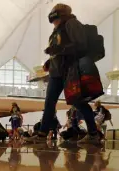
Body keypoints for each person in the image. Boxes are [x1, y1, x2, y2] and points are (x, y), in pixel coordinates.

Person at [25, 3, 100, 144]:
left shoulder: (71, 24)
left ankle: (93, 134)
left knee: (79, 102)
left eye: (54, 13)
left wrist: (58, 49)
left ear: (59, 14)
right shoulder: (57, 30)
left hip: (70, 72)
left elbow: (81, 45)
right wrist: (50, 60)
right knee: (49, 103)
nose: (52, 17)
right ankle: (42, 134)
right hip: (56, 72)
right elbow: (58, 51)